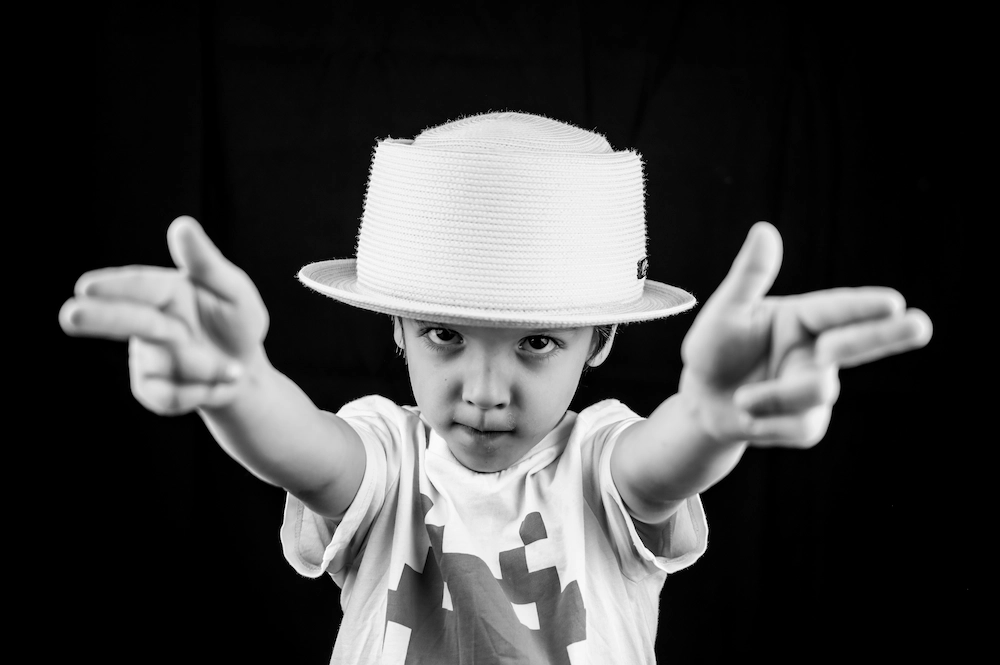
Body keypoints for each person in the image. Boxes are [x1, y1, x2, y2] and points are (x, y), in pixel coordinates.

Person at [59, 112, 932, 664]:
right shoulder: (389, 457)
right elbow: (307, 452)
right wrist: (240, 388)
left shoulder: (598, 461)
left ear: (602, 340)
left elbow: (659, 465)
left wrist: (709, 420)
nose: (483, 390)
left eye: (536, 343)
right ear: (396, 325)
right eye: (444, 335)